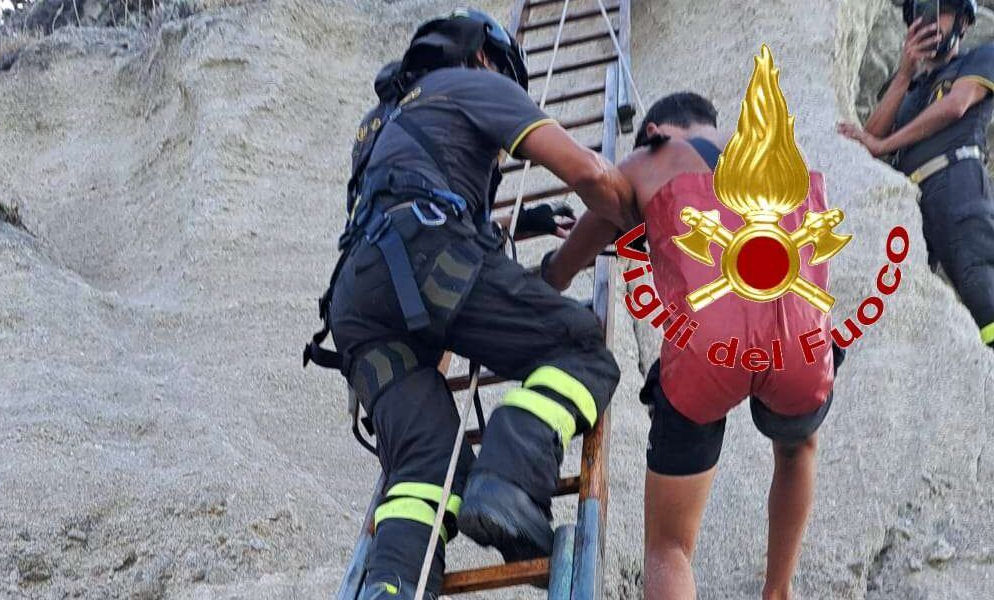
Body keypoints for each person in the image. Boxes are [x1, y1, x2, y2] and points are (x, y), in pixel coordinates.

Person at [304, 8, 629, 599]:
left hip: (357, 304)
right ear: (485, 57)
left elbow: (413, 198)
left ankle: (392, 586)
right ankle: (508, 474)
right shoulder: (476, 85)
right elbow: (588, 172)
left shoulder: (382, 121)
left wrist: (516, 222)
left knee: (426, 462)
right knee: (581, 348)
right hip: (430, 262)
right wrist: (634, 206)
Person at [543, 90, 845, 600]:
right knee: (797, 451)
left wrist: (542, 275)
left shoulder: (647, 159)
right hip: (800, 339)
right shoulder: (780, 150)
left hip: (707, 349)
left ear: (657, 129)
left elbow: (570, 261)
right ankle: (778, 590)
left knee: (668, 549)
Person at [838, 0, 994, 350]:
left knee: (979, 282)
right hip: (910, 202)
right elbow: (867, 140)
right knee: (903, 303)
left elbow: (956, 106)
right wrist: (905, 73)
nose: (931, 21)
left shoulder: (981, 58)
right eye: (922, 12)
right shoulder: (906, 87)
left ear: (964, 23)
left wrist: (885, 144)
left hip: (956, 182)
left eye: (942, 11)